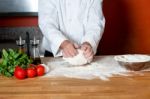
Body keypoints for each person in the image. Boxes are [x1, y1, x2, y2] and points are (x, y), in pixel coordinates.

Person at [38, 0, 105, 62]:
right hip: (54, 55)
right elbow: (47, 23)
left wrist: (88, 42)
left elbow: (96, 22)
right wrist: (63, 43)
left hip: (86, 54)